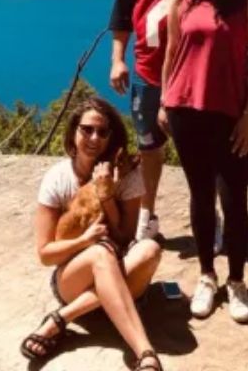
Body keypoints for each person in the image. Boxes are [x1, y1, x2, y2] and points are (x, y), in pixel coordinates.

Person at [158, 0, 248, 323]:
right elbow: (172, 52)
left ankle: (236, 280)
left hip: (229, 113)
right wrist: (162, 101)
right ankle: (207, 275)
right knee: (200, 196)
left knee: (234, 199)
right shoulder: (181, 0)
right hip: (184, 109)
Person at [23, 97, 165, 370]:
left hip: (118, 269)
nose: (94, 138)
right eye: (86, 129)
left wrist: (107, 196)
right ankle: (145, 352)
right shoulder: (57, 177)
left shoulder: (126, 172)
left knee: (150, 249)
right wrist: (84, 241)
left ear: (112, 137)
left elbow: (125, 238)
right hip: (73, 278)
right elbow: (45, 254)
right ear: (73, 131)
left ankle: (61, 318)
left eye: (102, 132)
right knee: (100, 252)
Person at [109, 0, 196, 242]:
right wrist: (118, 59)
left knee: (197, 146)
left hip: (192, 71)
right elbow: (123, 12)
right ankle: (148, 214)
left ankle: (206, 211)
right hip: (146, 71)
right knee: (149, 147)